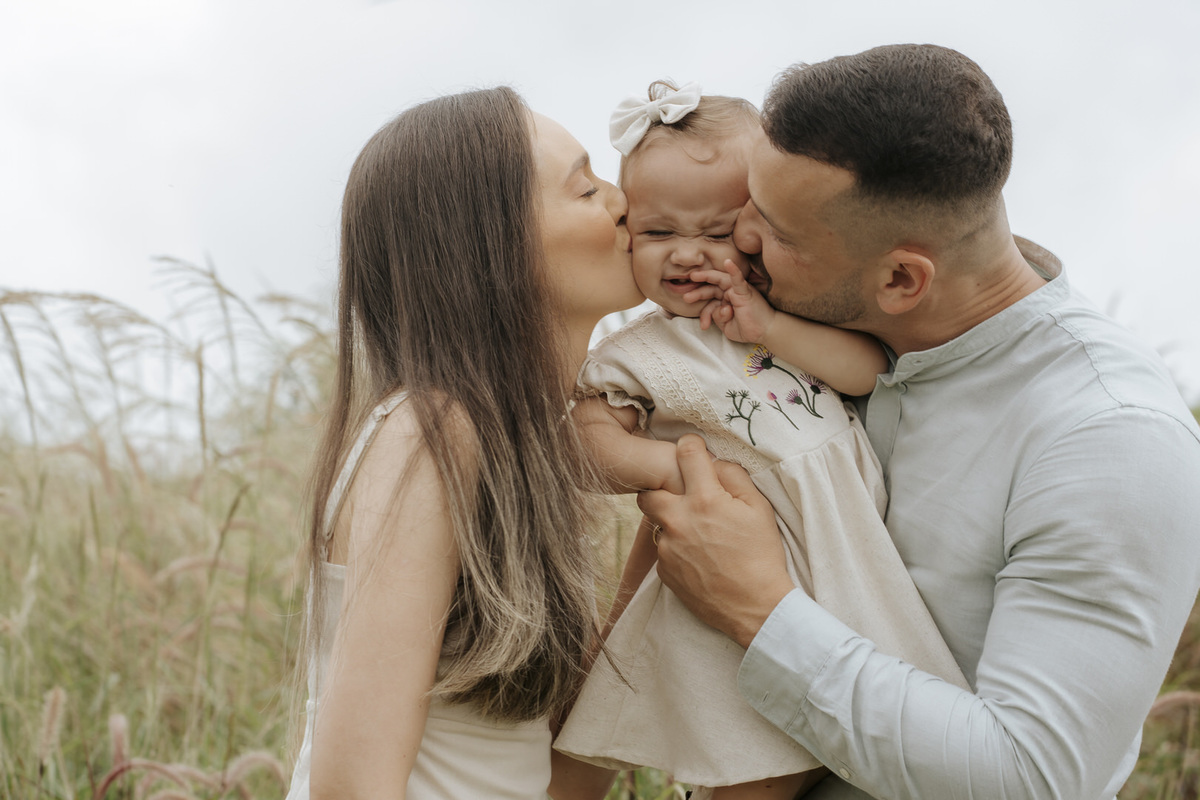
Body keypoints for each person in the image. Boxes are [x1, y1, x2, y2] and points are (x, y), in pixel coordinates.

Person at [639, 44, 1200, 800]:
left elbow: (1030, 778)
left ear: (902, 279)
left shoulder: (1109, 438)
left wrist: (758, 609)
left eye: (774, 229)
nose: (738, 238)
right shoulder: (803, 336)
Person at [553, 82, 966, 800]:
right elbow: (588, 446)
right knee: (751, 757)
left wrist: (768, 328)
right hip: (731, 568)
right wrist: (684, 468)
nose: (687, 254)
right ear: (628, 232)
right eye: (657, 233)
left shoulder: (787, 319)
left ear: (756, 230)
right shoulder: (639, 351)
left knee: (855, 736)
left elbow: (868, 373)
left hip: (844, 569)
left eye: (716, 233)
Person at [284, 86, 644, 800]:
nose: (623, 200)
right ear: (496, 247)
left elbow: (554, 779)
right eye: (585, 187)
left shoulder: (527, 454)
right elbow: (352, 786)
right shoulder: (433, 431)